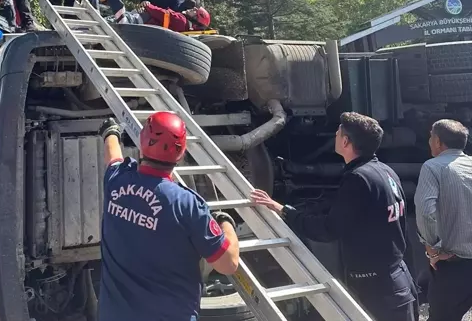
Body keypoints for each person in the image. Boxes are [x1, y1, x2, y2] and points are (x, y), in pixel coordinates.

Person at [251, 112, 418, 321]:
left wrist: (284, 211)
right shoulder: (386, 172)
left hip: (376, 289)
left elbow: (328, 229)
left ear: (346, 141)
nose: (336, 136)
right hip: (397, 280)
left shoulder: (358, 178)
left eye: (338, 133)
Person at [97, 112, 239, 321]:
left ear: (143, 142)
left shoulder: (116, 181)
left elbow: (113, 156)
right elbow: (228, 264)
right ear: (181, 151)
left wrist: (110, 132)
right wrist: (226, 223)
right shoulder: (188, 204)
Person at [415, 119, 472, 321]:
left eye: (431, 137)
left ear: (438, 141)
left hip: (454, 266)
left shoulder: (433, 167)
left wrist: (433, 248)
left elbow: (425, 211)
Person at [117, 2, 211, 33]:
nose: (193, 8)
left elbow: (162, 13)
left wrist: (147, 5)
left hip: (138, 21)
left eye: (196, 11)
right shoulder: (183, 26)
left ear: (195, 20)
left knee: (113, 19)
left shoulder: (181, 20)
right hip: (142, 24)